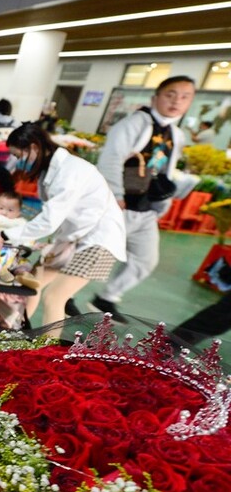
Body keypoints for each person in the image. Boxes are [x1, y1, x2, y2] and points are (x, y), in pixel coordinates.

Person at [91, 75, 194, 321]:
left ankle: (107, 298)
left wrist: (163, 203)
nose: (176, 101)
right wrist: (115, 194)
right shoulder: (135, 123)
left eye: (184, 97)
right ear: (155, 97)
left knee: (145, 260)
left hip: (147, 210)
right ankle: (63, 295)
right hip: (120, 204)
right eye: (170, 94)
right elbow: (112, 158)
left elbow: (166, 170)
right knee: (93, 256)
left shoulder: (176, 134)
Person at [5, 123, 126, 328]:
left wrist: (8, 234)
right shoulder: (50, 170)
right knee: (32, 283)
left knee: (54, 297)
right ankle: (12, 331)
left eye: (19, 156)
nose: (19, 162)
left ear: (33, 148)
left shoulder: (71, 171)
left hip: (97, 241)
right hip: (73, 237)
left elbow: (50, 220)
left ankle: (46, 353)